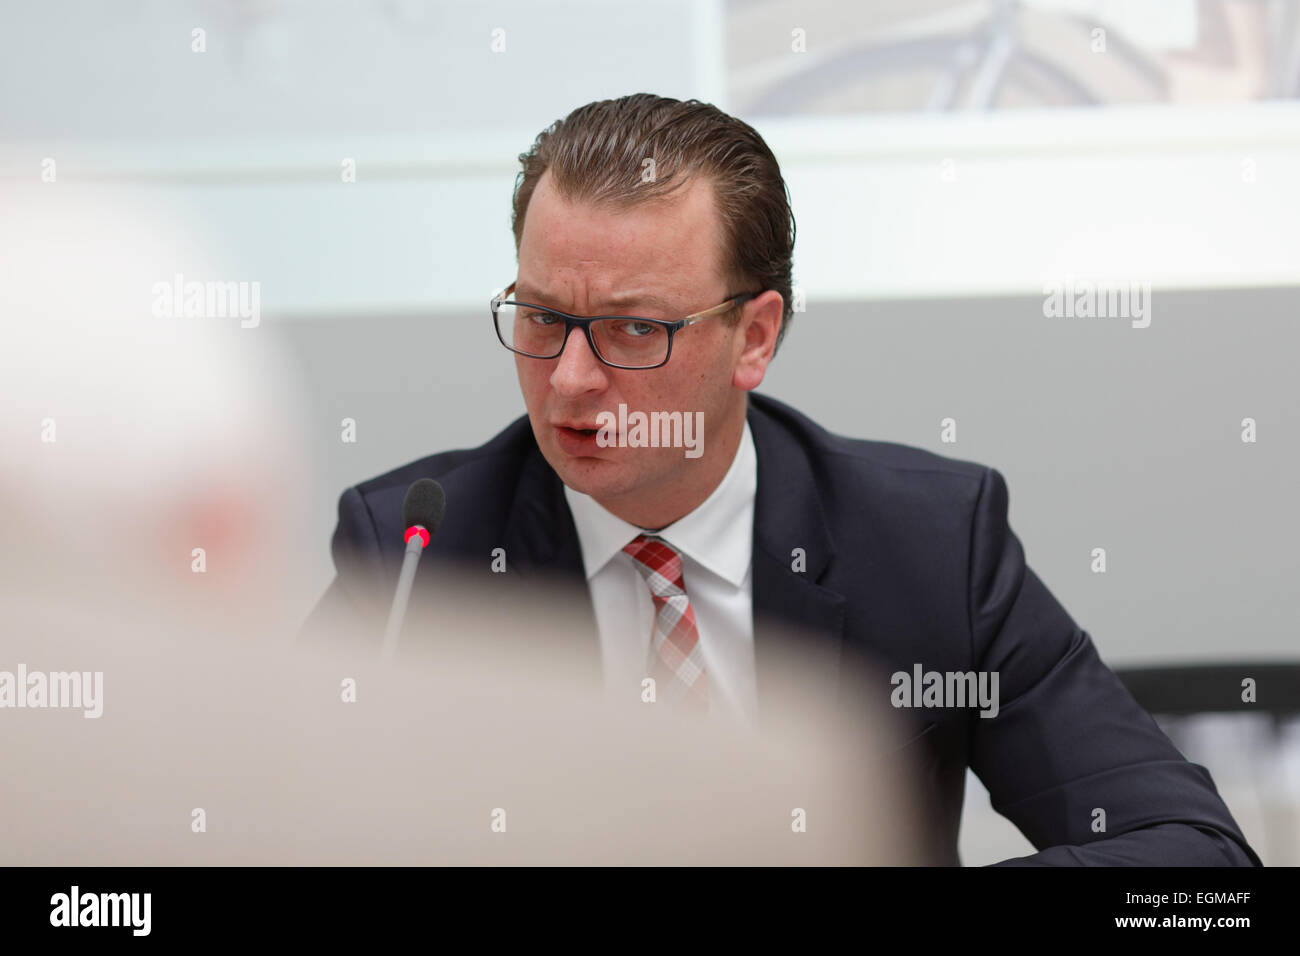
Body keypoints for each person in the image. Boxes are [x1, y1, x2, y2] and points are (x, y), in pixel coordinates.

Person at [305, 92, 1260, 866]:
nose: (570, 378)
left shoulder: (929, 543)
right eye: (543, 316)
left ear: (753, 337)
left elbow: (1194, 861)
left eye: (635, 328)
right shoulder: (417, 560)